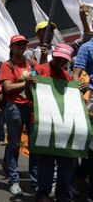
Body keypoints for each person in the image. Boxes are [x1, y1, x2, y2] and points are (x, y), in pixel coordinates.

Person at [35, 44, 84, 202]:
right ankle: (43, 193)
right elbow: (29, 94)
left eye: (63, 60)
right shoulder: (40, 70)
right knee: (46, 163)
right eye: (58, 58)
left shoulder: (68, 76)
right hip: (46, 124)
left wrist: (78, 90)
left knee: (67, 163)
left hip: (65, 125)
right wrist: (30, 82)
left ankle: (64, 196)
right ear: (53, 55)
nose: (59, 62)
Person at [0, 34, 38, 197]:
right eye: (18, 44)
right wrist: (26, 83)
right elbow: (7, 88)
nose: (21, 47)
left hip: (32, 108)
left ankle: (36, 182)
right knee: (14, 145)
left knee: (35, 145)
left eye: (23, 44)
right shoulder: (8, 65)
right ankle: (13, 181)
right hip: (14, 108)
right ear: (11, 48)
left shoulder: (32, 63)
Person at [72, 31, 93, 201]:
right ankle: (79, 178)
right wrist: (78, 87)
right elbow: (75, 75)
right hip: (91, 101)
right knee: (89, 145)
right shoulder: (86, 48)